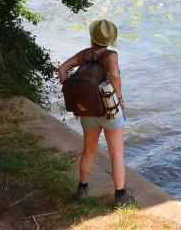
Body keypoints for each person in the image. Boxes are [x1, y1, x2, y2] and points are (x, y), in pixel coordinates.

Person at [57, 19, 135, 207]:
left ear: (92, 36)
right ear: (110, 38)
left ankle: (82, 190)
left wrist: (71, 89)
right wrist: (120, 99)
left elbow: (62, 69)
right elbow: (115, 76)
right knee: (116, 154)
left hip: (87, 110)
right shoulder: (110, 55)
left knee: (89, 151)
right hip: (109, 110)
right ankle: (120, 197)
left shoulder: (85, 54)